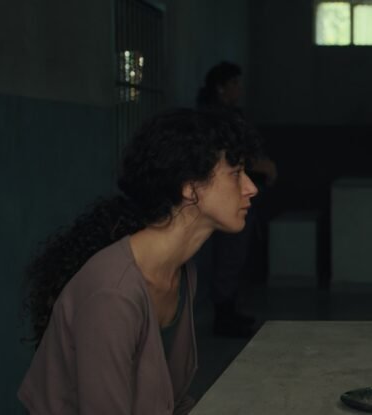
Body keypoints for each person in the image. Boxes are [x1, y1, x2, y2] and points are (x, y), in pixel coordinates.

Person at [19, 108, 260, 414]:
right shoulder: (113, 293)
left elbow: (169, 401)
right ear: (189, 187)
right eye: (236, 174)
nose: (251, 188)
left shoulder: (182, 272)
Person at [197, 61, 277, 337]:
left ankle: (228, 309)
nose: (239, 89)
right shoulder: (216, 119)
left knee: (234, 253)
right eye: (234, 84)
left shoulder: (228, 116)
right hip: (224, 198)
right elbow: (230, 158)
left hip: (231, 196)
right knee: (228, 253)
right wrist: (261, 166)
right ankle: (224, 313)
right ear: (220, 88)